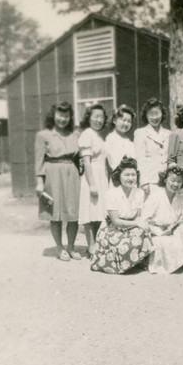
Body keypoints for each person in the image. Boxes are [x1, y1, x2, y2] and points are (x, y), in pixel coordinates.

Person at [34, 102, 82, 261]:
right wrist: (40, 182)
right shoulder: (43, 135)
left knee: (73, 213)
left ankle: (72, 246)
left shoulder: (75, 134)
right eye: (60, 115)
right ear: (53, 115)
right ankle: (60, 247)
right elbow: (39, 161)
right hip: (52, 174)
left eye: (66, 116)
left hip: (72, 173)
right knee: (56, 214)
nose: (63, 119)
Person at [90, 157, 153, 274]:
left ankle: (133, 261)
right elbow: (116, 221)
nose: (130, 178)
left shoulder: (139, 193)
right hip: (112, 230)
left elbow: (138, 216)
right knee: (120, 243)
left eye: (133, 175)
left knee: (144, 232)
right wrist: (138, 223)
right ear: (119, 176)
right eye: (127, 175)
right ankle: (121, 262)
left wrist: (140, 224)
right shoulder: (111, 193)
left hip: (130, 227)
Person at [141, 164, 183, 274]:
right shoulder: (156, 196)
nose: (175, 184)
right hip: (155, 232)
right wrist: (159, 231)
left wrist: (172, 228)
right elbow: (144, 219)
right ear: (165, 180)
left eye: (179, 181)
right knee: (166, 243)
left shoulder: (180, 197)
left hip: (172, 230)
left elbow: (181, 219)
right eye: (173, 180)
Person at [78, 103, 109, 256]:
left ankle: (97, 243)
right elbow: (86, 161)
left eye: (101, 117)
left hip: (102, 176)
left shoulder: (98, 135)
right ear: (88, 118)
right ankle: (91, 246)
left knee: (98, 211)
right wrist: (92, 184)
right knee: (89, 211)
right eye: (95, 117)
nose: (99, 120)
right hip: (91, 176)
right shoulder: (86, 134)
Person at [134, 98, 171, 196]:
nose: (154, 117)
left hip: (167, 181)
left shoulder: (168, 134)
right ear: (146, 116)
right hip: (151, 180)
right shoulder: (140, 133)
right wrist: (144, 182)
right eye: (151, 114)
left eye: (157, 113)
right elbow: (140, 159)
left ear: (162, 114)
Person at [105, 104, 136, 172]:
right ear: (114, 120)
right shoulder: (111, 139)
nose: (126, 123)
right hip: (118, 176)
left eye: (129, 121)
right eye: (123, 120)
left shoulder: (128, 141)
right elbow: (115, 163)